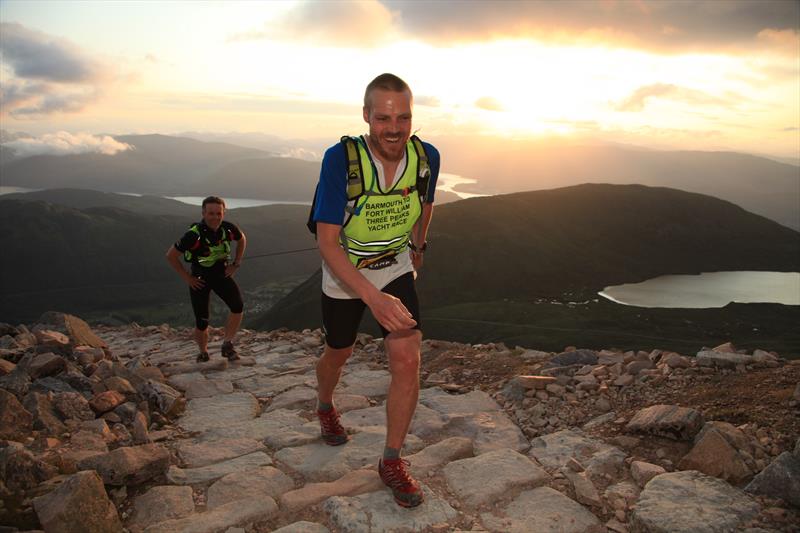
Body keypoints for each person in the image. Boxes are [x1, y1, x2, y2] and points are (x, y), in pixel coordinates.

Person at [310, 73, 439, 508]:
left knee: (407, 358)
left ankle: (391, 460)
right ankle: (326, 405)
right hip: (347, 270)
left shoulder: (426, 158)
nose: (394, 127)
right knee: (339, 351)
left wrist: (418, 245)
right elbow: (327, 242)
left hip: (395, 265)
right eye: (383, 117)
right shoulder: (341, 160)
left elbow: (426, 203)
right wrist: (372, 296)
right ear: (366, 116)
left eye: (403, 117)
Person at [166, 196, 247, 362]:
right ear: (203, 213)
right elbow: (171, 256)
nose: (215, 217)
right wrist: (188, 278)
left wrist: (236, 263)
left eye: (219, 213)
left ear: (224, 213)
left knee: (237, 306)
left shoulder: (228, 228)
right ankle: (203, 352)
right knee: (202, 321)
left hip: (221, 274)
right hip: (200, 279)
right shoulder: (193, 235)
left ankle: (227, 344)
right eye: (211, 213)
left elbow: (242, 239)